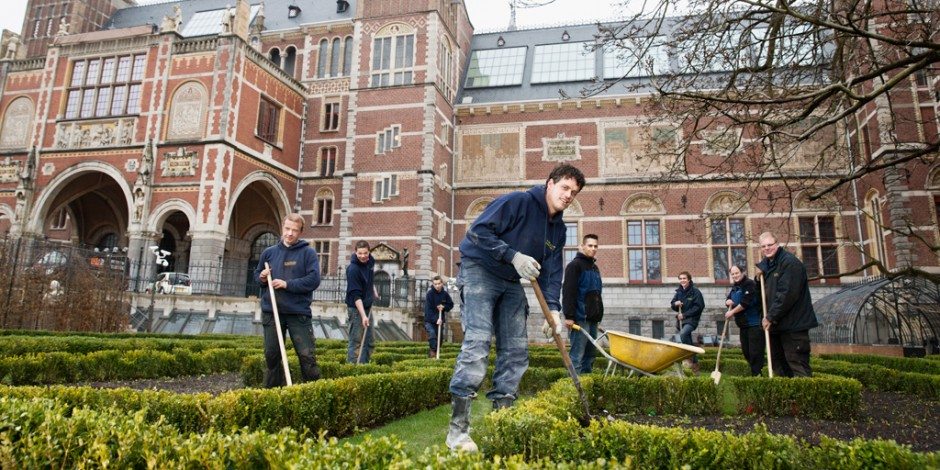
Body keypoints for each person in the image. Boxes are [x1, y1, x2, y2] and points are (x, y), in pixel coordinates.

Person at [446, 163, 585, 452]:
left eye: (574, 192)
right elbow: (477, 231)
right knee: (477, 344)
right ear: (549, 184)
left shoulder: (558, 231)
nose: (568, 195)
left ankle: (502, 423)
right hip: (479, 269)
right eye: (564, 188)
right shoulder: (518, 202)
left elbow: (551, 272)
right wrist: (512, 255)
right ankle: (458, 432)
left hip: (510, 281)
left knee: (516, 351)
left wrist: (555, 310)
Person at [255, 213, 322, 387]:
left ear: (300, 232)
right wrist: (262, 277)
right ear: (282, 228)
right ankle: (273, 394)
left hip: (298, 313)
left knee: (307, 355)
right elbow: (257, 276)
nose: (290, 233)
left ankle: (313, 392)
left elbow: (314, 280)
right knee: (271, 355)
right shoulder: (269, 253)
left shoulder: (308, 253)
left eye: (294, 230)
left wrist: (287, 284)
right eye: (287, 229)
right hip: (272, 311)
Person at [755, 231, 818, 377]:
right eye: (763, 246)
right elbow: (763, 295)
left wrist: (770, 317)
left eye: (770, 245)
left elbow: (786, 295)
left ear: (777, 244)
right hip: (777, 326)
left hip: (793, 326)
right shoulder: (768, 267)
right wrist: (758, 279)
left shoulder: (790, 263)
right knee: (779, 366)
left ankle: (805, 399)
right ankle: (786, 400)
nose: (767, 248)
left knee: (797, 365)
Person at [562, 234, 603, 374]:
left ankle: (586, 385)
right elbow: (568, 292)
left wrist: (597, 317)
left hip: (592, 319)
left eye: (595, 246)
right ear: (582, 246)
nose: (593, 248)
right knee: (577, 357)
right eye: (590, 245)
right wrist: (568, 316)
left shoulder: (594, 268)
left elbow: (596, 294)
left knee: (590, 357)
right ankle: (574, 388)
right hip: (580, 318)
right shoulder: (574, 266)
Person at [724, 265, 764, 376]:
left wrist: (732, 312)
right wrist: (728, 301)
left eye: (736, 273)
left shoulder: (750, 284)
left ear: (742, 272)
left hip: (754, 324)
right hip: (743, 325)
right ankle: (755, 372)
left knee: (755, 352)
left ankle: (757, 374)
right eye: (732, 274)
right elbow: (729, 298)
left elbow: (745, 303)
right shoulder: (735, 287)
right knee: (746, 352)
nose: (735, 276)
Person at [345, 240, 378, 364]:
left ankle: (363, 368)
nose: (363, 256)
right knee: (355, 342)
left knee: (370, 342)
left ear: (369, 252)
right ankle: (351, 371)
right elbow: (355, 296)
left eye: (365, 253)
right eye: (360, 253)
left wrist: (372, 289)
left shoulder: (370, 262)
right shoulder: (353, 270)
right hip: (356, 308)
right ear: (355, 252)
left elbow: (369, 278)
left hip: (367, 306)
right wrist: (363, 316)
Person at [670, 271, 704, 373]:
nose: (682, 280)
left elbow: (699, 307)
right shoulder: (678, 292)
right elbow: (672, 304)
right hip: (681, 321)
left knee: (683, 334)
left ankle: (689, 357)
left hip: (692, 320)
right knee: (687, 339)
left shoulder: (695, 292)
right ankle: (695, 366)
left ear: (689, 279)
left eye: (684, 278)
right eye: (680, 279)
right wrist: (675, 304)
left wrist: (684, 315)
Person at [424, 275, 455, 358]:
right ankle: (433, 355)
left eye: (438, 284)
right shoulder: (430, 294)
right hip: (429, 321)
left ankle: (432, 354)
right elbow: (428, 310)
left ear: (442, 283)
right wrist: (436, 319)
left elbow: (451, 304)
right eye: (435, 284)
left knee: (439, 341)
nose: (437, 286)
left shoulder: (445, 294)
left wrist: (444, 307)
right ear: (433, 285)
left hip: (440, 321)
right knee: (432, 335)